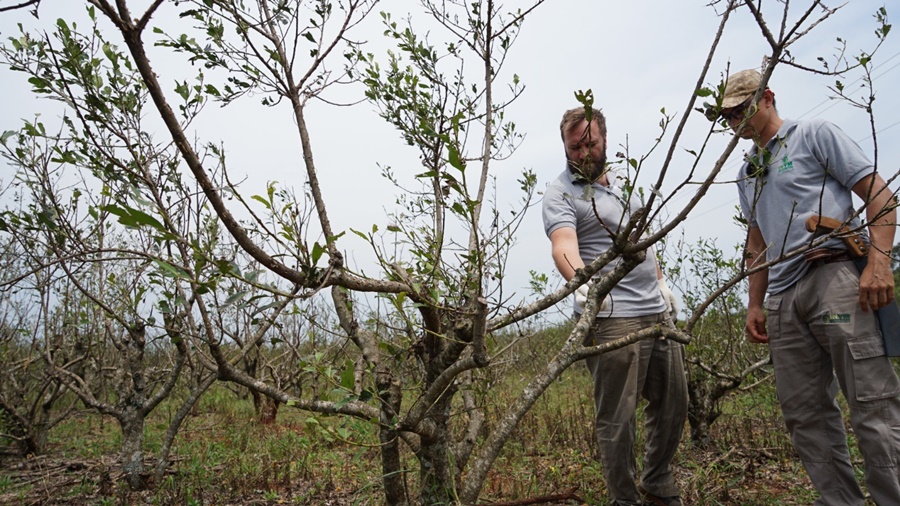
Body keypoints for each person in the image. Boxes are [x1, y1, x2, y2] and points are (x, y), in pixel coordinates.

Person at [720, 68, 900, 505]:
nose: (736, 121)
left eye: (744, 109)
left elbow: (878, 193)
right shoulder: (747, 171)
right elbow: (757, 240)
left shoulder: (813, 135)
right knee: (804, 414)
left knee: (872, 403)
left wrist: (879, 262)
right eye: (726, 115)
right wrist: (754, 303)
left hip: (833, 275)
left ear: (767, 99)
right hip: (783, 298)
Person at [542, 106, 688, 506]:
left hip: (655, 309)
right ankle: (624, 499)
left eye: (590, 143)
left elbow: (641, 237)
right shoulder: (560, 193)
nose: (584, 153)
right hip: (610, 317)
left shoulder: (626, 180)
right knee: (617, 417)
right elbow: (564, 245)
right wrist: (583, 284)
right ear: (565, 148)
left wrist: (662, 283)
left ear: (604, 140)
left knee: (675, 401)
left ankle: (657, 481)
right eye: (575, 147)